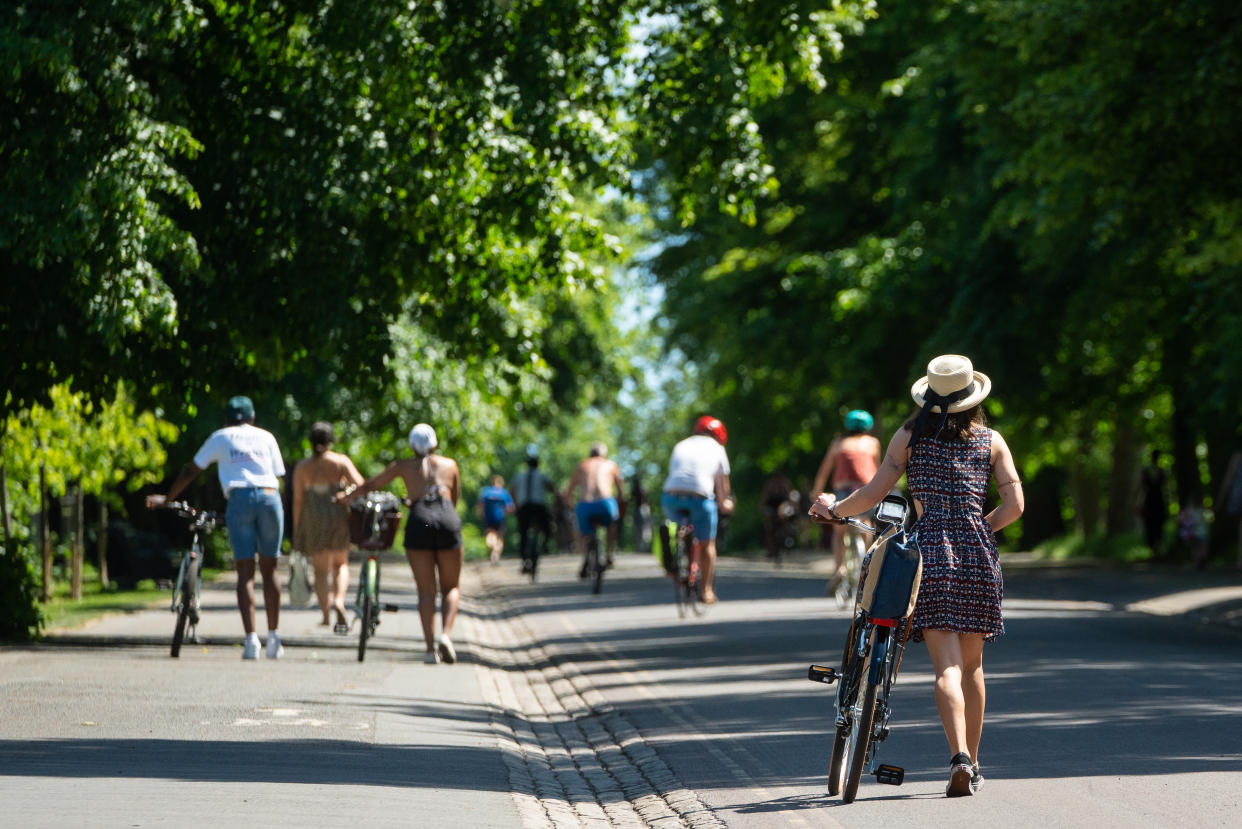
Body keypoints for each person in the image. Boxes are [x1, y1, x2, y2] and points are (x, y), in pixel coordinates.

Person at [810, 355, 1023, 797]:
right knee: (972, 667)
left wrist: (833, 510)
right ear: (972, 398)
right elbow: (1015, 507)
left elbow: (872, 494)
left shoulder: (910, 437)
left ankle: (957, 755)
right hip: (979, 556)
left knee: (946, 668)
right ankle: (974, 764)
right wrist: (979, 527)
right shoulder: (992, 441)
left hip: (929, 555)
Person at [146, 396, 288, 660]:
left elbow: (192, 469)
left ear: (227, 419)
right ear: (252, 418)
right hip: (269, 497)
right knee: (270, 569)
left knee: (245, 573)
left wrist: (168, 498)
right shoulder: (266, 437)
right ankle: (275, 638)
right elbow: (278, 473)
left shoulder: (220, 437)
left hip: (240, 500)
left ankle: (250, 641)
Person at [340, 423, 463, 665]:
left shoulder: (403, 466)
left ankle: (429, 651)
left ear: (411, 446)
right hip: (447, 520)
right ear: (435, 444)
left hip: (421, 522)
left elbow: (371, 485)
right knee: (451, 587)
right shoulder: (450, 465)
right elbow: (454, 498)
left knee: (426, 592)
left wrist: (346, 497)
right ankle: (446, 635)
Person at [291, 421, 364, 633]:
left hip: (313, 518)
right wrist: (347, 495)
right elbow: (361, 485)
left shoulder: (303, 467)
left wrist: (297, 528)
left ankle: (325, 615)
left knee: (321, 570)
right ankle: (339, 602)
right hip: (338, 515)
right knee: (340, 564)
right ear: (331, 440)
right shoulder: (340, 462)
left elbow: (297, 500)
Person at [661, 415, 734, 604]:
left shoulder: (681, 444)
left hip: (670, 497)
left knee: (677, 524)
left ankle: (673, 540)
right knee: (707, 543)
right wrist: (726, 504)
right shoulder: (718, 449)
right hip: (699, 500)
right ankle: (706, 591)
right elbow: (722, 491)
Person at [811, 410, 882, 593]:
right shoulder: (873, 443)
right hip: (865, 491)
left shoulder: (838, 444)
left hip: (843, 490)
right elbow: (879, 470)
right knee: (865, 524)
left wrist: (816, 493)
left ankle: (839, 569)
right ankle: (865, 568)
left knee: (839, 531)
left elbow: (824, 472)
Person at [563, 442, 625, 577]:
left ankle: (585, 556)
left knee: (580, 531)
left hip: (585, 505)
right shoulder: (611, 465)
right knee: (611, 525)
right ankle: (608, 555)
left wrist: (571, 506)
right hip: (605, 504)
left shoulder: (582, 465)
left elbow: (569, 491)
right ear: (604, 454)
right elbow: (620, 491)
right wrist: (619, 502)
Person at [511, 444, 554, 574]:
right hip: (538, 507)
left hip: (524, 507)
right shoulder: (542, 475)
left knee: (523, 532)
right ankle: (545, 544)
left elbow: (512, 491)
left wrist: (515, 505)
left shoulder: (519, 476)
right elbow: (551, 488)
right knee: (548, 527)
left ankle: (524, 558)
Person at [760, 470, 800, 560]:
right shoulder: (769, 485)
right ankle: (770, 549)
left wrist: (792, 508)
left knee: (785, 518)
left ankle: (786, 539)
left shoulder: (785, 485)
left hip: (782, 507)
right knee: (769, 527)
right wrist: (763, 509)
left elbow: (790, 499)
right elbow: (764, 498)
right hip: (771, 506)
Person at [476, 475, 515, 564]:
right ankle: (496, 554)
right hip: (500, 518)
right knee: (500, 537)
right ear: (501, 483)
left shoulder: (485, 492)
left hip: (488, 518)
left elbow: (480, 505)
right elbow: (510, 507)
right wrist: (505, 513)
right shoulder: (504, 493)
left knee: (490, 535)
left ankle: (493, 548)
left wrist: (481, 514)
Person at [1138, 449, 1169, 557]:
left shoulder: (1161, 471)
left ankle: (1156, 549)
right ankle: (1154, 550)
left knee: (1157, 525)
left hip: (1156, 501)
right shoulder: (1148, 471)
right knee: (1151, 525)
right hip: (1151, 501)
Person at [1216, 449, 1242, 570]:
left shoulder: (1237, 456)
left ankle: (1240, 559)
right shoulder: (1237, 456)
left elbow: (1229, 478)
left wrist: (1221, 499)